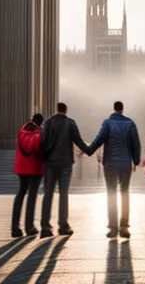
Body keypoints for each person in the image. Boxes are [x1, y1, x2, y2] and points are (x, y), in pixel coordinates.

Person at [88, 100, 141, 240]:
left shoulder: (107, 123)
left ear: (114, 109)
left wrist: (88, 150)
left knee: (111, 194)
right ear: (122, 109)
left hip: (110, 164)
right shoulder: (130, 123)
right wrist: (135, 160)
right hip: (125, 164)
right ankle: (124, 227)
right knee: (125, 194)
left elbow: (99, 139)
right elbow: (136, 143)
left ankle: (112, 228)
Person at [40, 101, 93, 238]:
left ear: (56, 110)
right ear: (66, 110)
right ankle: (63, 226)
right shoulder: (70, 123)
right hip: (65, 163)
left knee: (48, 194)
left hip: (50, 164)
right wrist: (89, 150)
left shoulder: (47, 123)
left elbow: (42, 142)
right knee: (63, 194)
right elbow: (78, 140)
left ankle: (45, 227)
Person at [11, 113, 44, 237]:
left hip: (22, 167)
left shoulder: (22, 130)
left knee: (20, 194)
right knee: (32, 196)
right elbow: (36, 146)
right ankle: (29, 226)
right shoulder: (37, 131)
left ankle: (15, 227)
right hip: (34, 167)